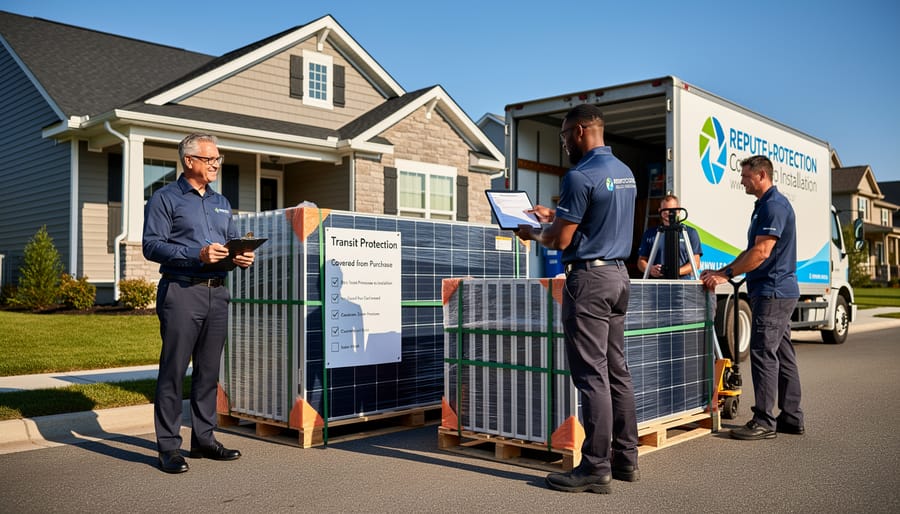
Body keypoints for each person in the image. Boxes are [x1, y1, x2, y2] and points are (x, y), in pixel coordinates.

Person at [516, 104, 639, 494]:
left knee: (591, 376)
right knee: (616, 370)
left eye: (565, 134)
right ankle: (625, 459)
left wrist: (533, 231)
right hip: (619, 277)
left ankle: (595, 467)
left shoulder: (580, 174)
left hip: (588, 282)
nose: (564, 142)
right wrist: (554, 213)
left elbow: (560, 239)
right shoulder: (624, 172)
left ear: (582, 130)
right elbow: (594, 217)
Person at [143, 133, 256, 474]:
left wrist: (239, 256)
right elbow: (151, 246)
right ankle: (168, 448)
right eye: (210, 160)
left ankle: (204, 440)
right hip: (181, 291)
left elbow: (227, 242)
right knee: (173, 372)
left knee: (209, 372)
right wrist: (197, 254)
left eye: (218, 159)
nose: (216, 164)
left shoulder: (221, 202)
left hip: (218, 293)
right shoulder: (165, 199)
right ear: (189, 161)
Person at [700, 155, 804, 440]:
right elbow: (750, 251)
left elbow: (761, 253)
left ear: (761, 176)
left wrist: (726, 275)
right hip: (774, 290)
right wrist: (724, 271)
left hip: (773, 291)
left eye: (746, 176)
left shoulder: (774, 206)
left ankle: (764, 420)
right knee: (783, 354)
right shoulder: (764, 206)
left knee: (762, 353)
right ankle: (792, 418)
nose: (742, 181)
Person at [637, 194, 702, 279]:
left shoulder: (689, 232)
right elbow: (641, 261)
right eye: (665, 210)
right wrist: (650, 269)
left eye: (672, 210)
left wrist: (675, 272)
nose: (669, 213)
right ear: (660, 211)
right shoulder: (650, 233)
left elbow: (695, 263)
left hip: (682, 284)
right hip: (656, 285)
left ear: (679, 211)